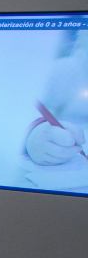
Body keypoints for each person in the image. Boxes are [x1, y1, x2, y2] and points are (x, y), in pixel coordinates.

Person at [24, 29, 88, 165]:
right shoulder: (62, 73)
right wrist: (33, 135)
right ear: (80, 46)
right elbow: (21, 109)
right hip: (67, 160)